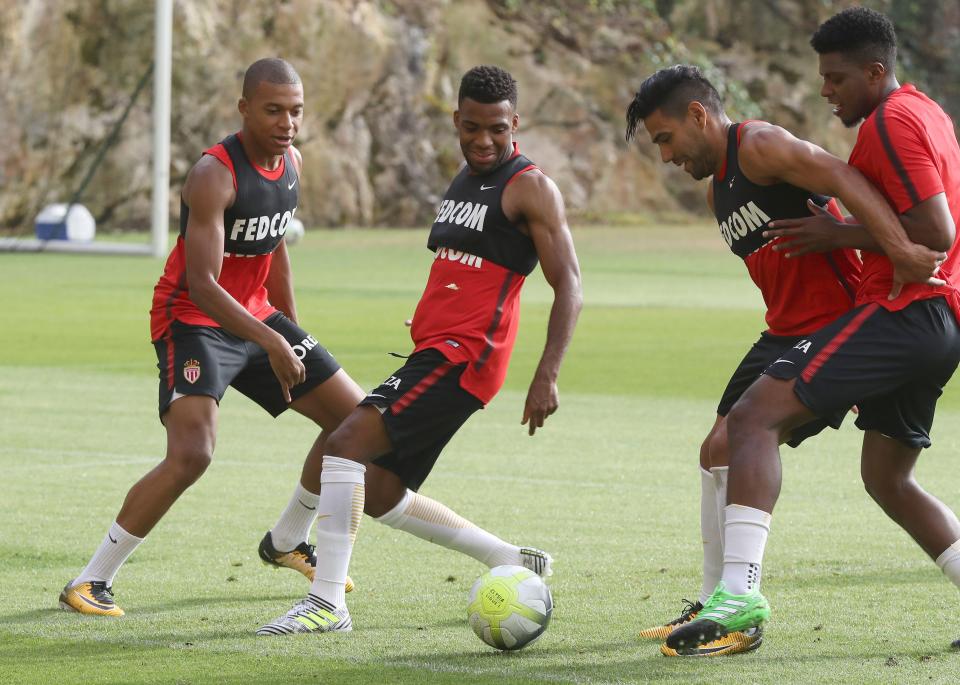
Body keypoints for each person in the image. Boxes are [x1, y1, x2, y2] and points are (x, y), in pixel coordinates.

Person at [59, 59, 563, 617]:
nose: (286, 122)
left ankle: (285, 541)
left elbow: (273, 244)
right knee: (193, 454)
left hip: (258, 316)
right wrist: (273, 342)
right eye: (273, 110)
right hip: (196, 320)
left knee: (350, 427)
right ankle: (91, 579)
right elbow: (201, 285)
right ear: (245, 107)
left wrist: (291, 333)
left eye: (295, 111)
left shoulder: (292, 163)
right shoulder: (214, 174)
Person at [667, 7, 960, 653]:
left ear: (875, 72)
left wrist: (841, 233)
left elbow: (935, 235)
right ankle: (723, 597)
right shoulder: (928, 112)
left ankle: (738, 595)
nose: (825, 90)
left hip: (903, 310)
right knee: (888, 479)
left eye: (835, 78)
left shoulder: (891, 122)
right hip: (929, 320)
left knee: (750, 421)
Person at [256, 64, 582, 636]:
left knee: (346, 441)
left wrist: (547, 374)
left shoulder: (530, 186)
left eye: (497, 130)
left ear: (516, 125)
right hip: (437, 347)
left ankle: (327, 603)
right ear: (456, 120)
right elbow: (464, 267)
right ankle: (505, 556)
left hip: (465, 357)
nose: (484, 141)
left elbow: (569, 285)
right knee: (380, 494)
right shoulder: (465, 178)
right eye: (472, 127)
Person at [624, 64, 868, 656]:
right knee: (713, 451)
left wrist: (868, 239)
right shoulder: (718, 189)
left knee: (887, 473)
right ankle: (716, 605)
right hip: (784, 332)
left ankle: (742, 608)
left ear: (698, 116)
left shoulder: (760, 146)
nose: (665, 156)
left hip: (839, 326)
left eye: (665, 138)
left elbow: (842, 176)